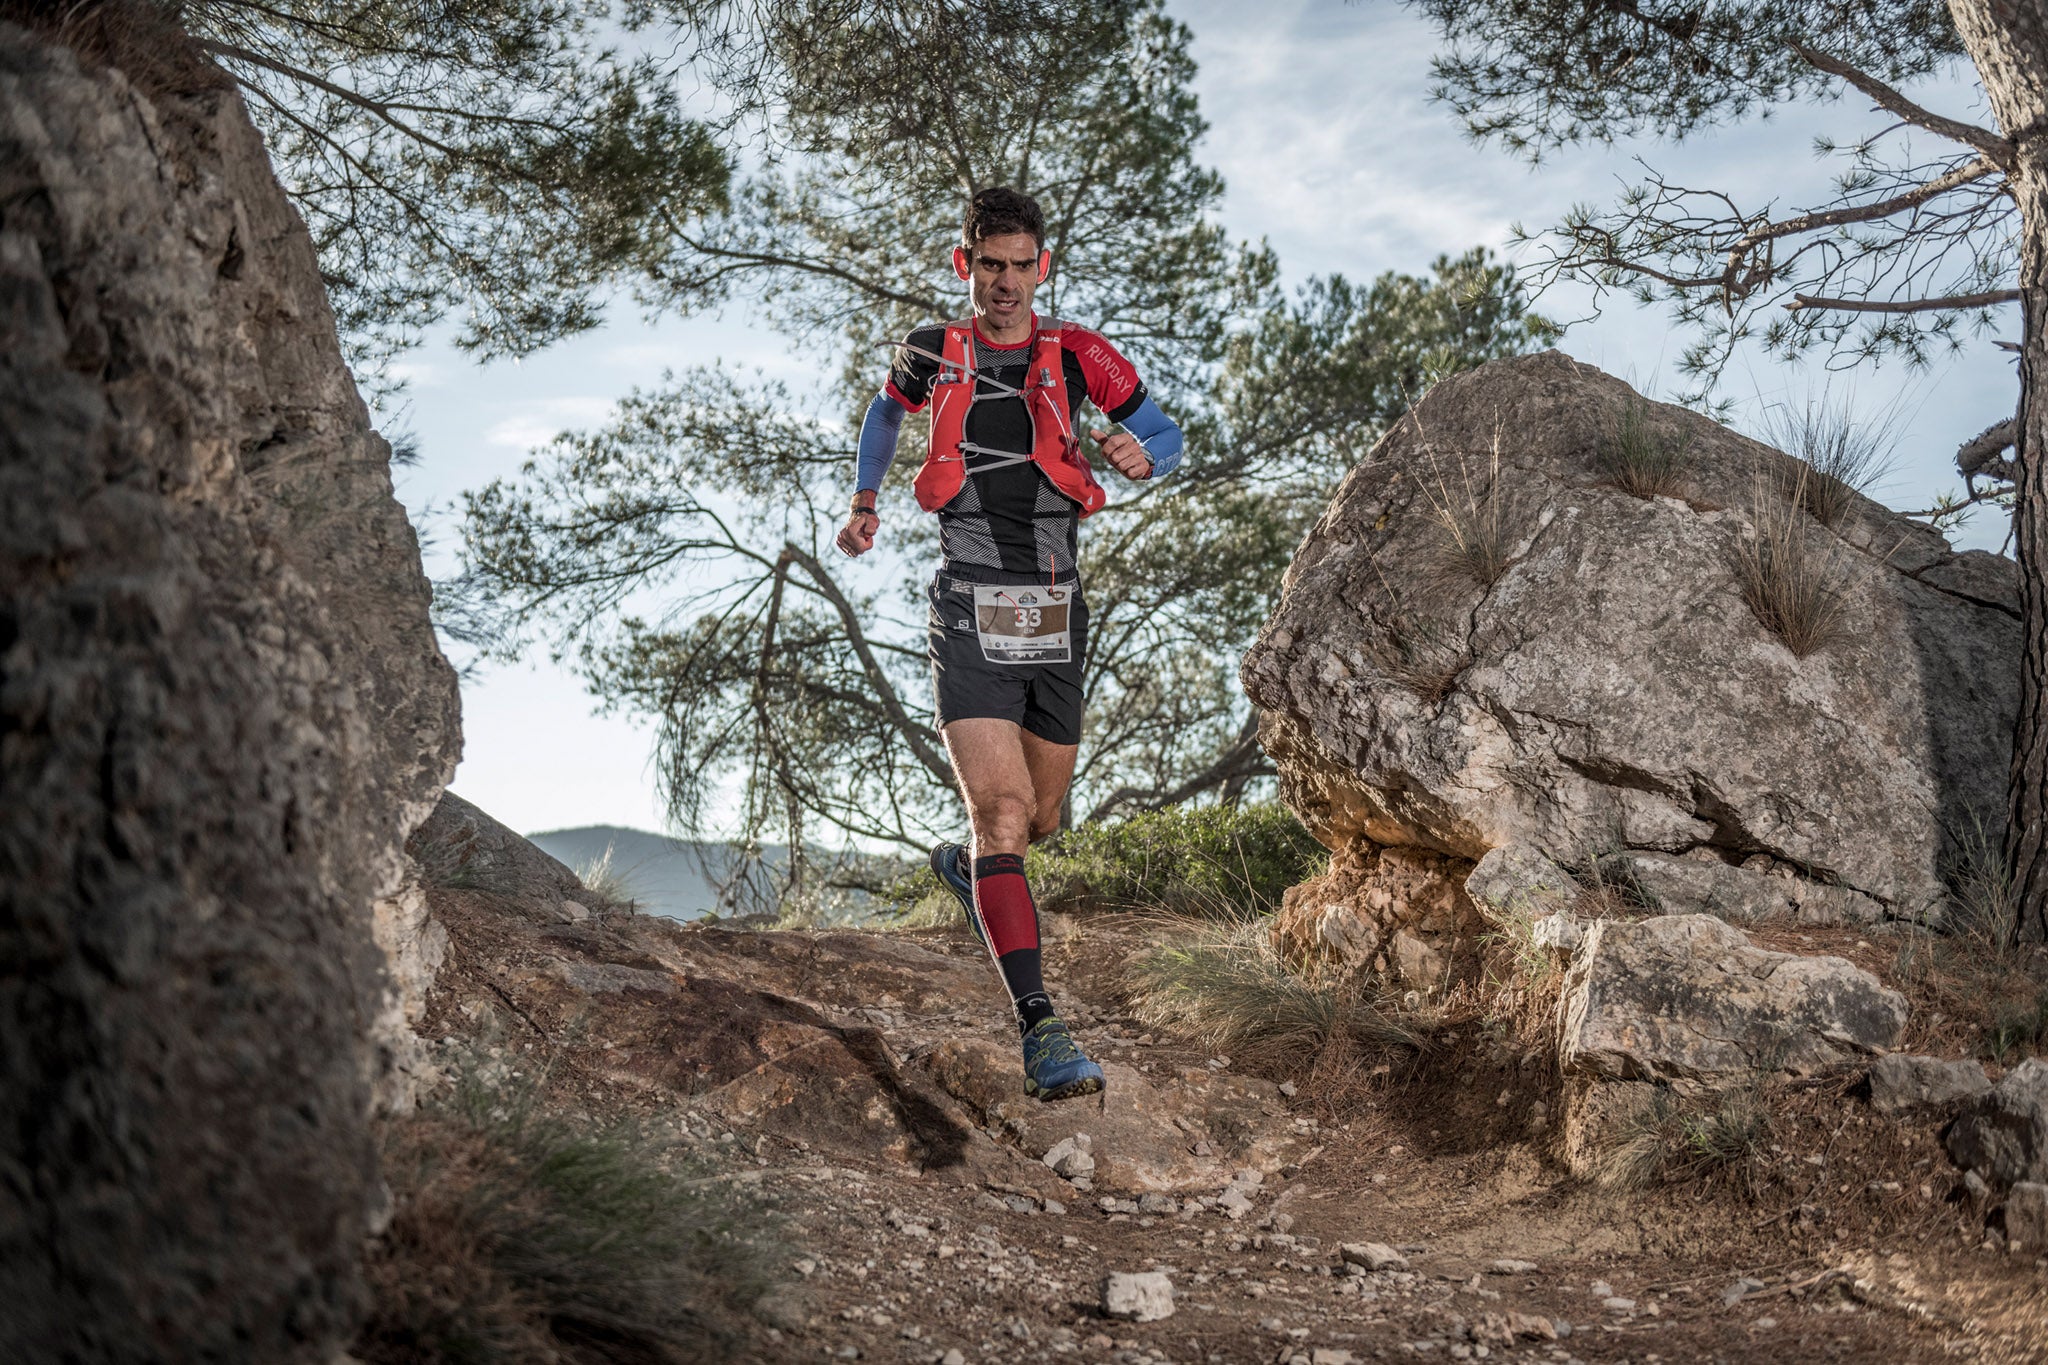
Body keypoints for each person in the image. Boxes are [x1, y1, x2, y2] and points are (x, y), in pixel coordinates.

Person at [835, 186, 1183, 1102]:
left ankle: (973, 878)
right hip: (967, 605)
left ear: (1042, 267)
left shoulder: (1079, 356)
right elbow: (884, 414)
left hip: (1057, 610)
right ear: (966, 264)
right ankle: (1042, 1029)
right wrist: (866, 500)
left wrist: (1148, 454)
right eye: (989, 264)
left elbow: (1164, 429)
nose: (1004, 282)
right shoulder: (930, 349)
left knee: (1041, 819)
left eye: (1021, 265)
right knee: (1001, 815)